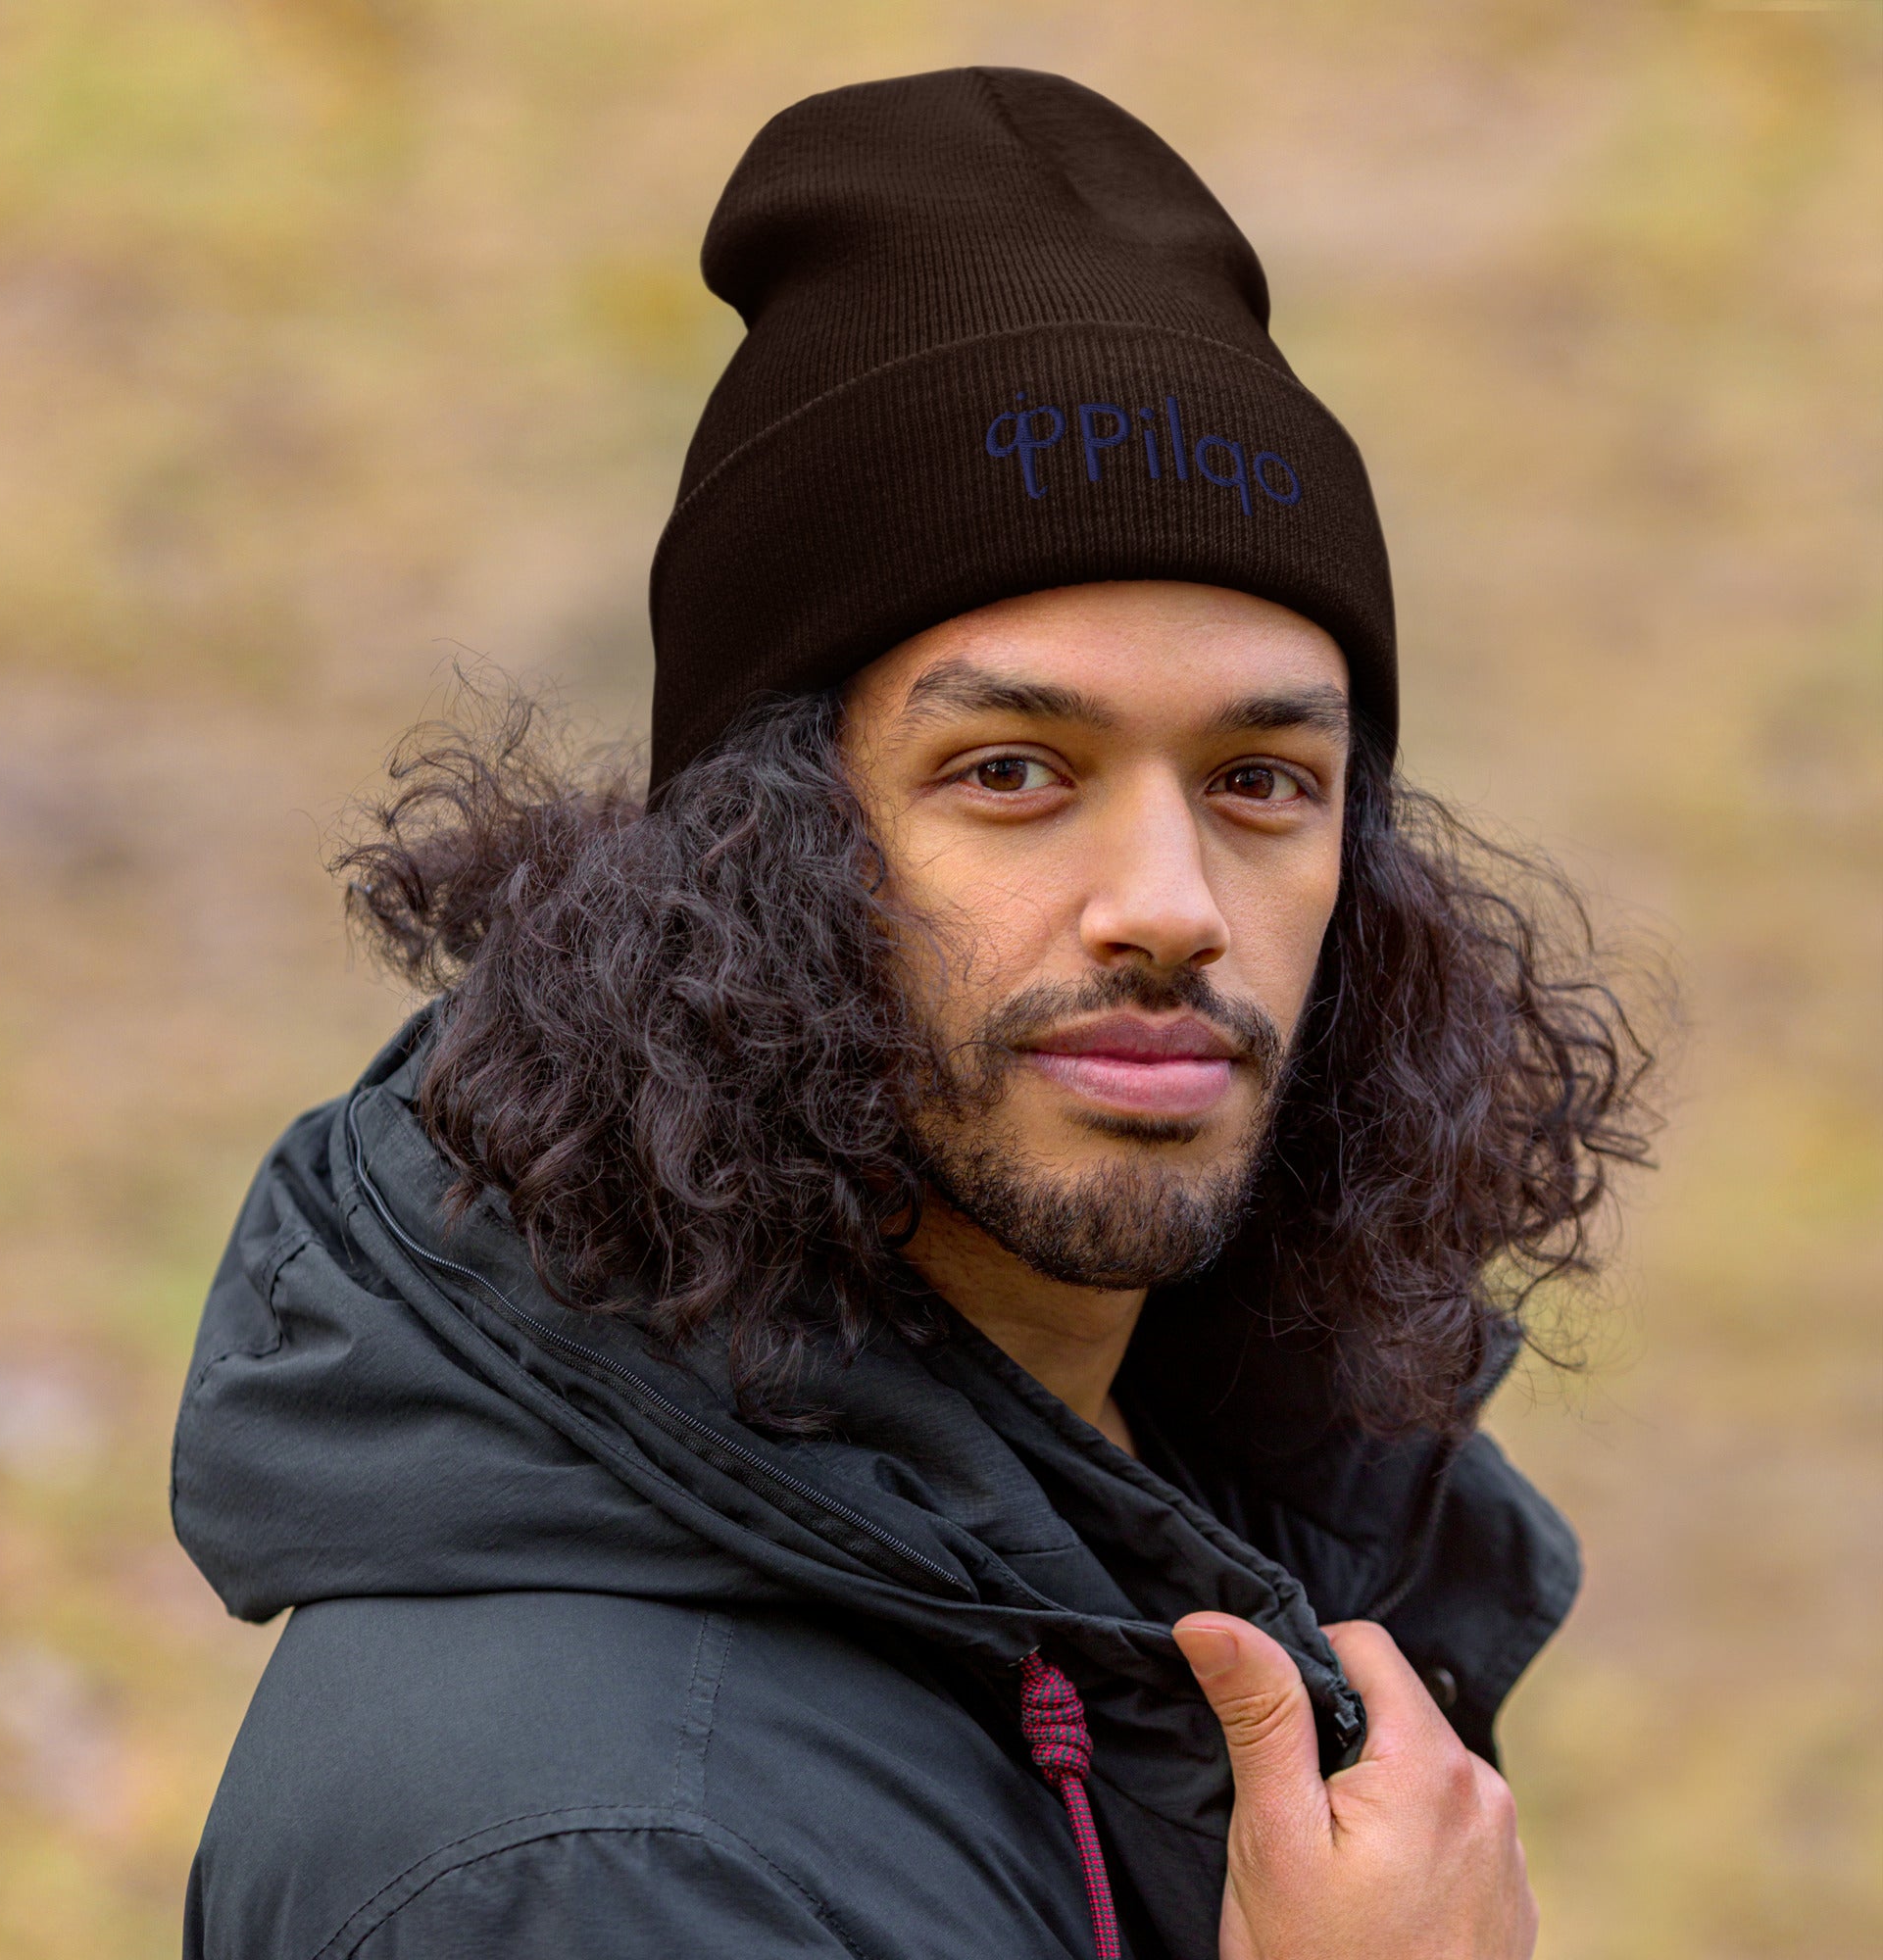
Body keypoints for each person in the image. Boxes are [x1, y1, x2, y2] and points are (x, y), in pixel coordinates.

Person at [174, 67, 1657, 1959]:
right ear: (754, 858)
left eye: (1261, 781)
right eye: (1014, 771)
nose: (1172, 910)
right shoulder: (597, 1858)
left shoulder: (1189, 1498)